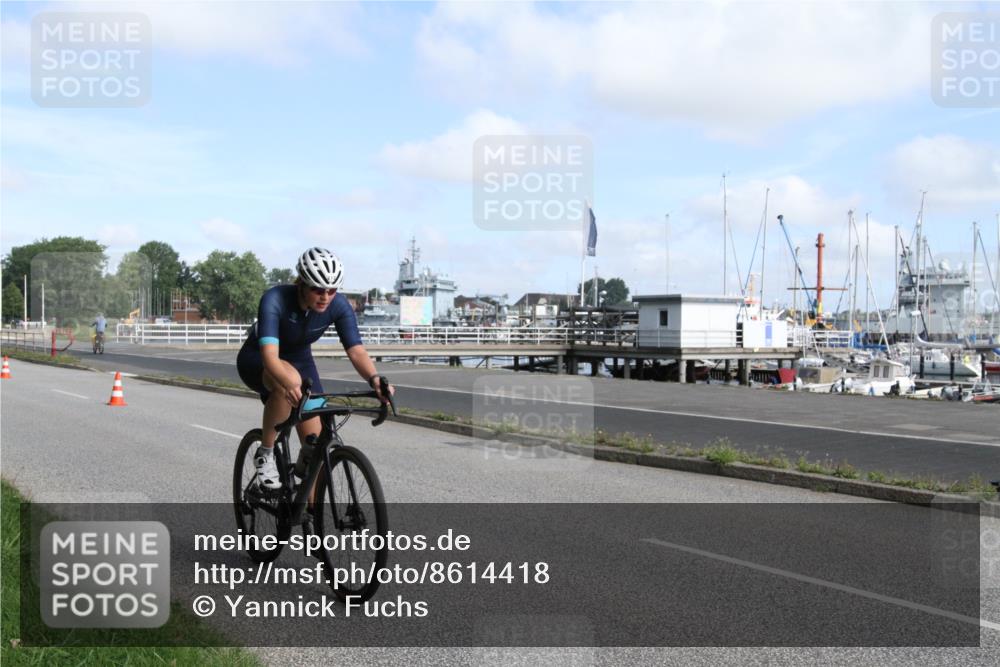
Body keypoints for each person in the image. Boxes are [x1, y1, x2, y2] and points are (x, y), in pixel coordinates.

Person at [237, 247, 393, 490]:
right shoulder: (275, 299)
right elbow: (270, 358)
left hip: (301, 361)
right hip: (258, 359)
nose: (325, 296)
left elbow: (356, 351)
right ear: (302, 283)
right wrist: (287, 384)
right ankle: (265, 454)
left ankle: (309, 515)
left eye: (332, 290)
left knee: (317, 451)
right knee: (288, 380)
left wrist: (374, 379)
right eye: (318, 289)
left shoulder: (338, 305)